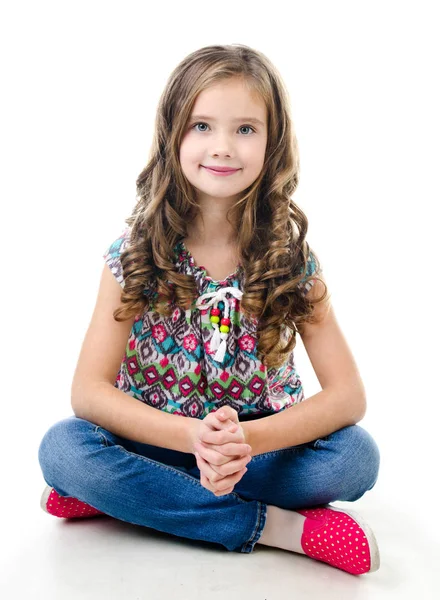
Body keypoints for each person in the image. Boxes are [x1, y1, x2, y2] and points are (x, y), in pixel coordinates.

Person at [38, 44, 381, 576]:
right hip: (159, 442)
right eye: (202, 126)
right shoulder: (133, 254)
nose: (223, 146)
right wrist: (192, 438)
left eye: (246, 129)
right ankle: (276, 528)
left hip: (256, 453)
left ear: (273, 143)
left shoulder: (290, 259)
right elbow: (88, 391)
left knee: (356, 457)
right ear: (172, 134)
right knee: (63, 449)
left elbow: (347, 397)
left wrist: (244, 442)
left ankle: (129, 500)